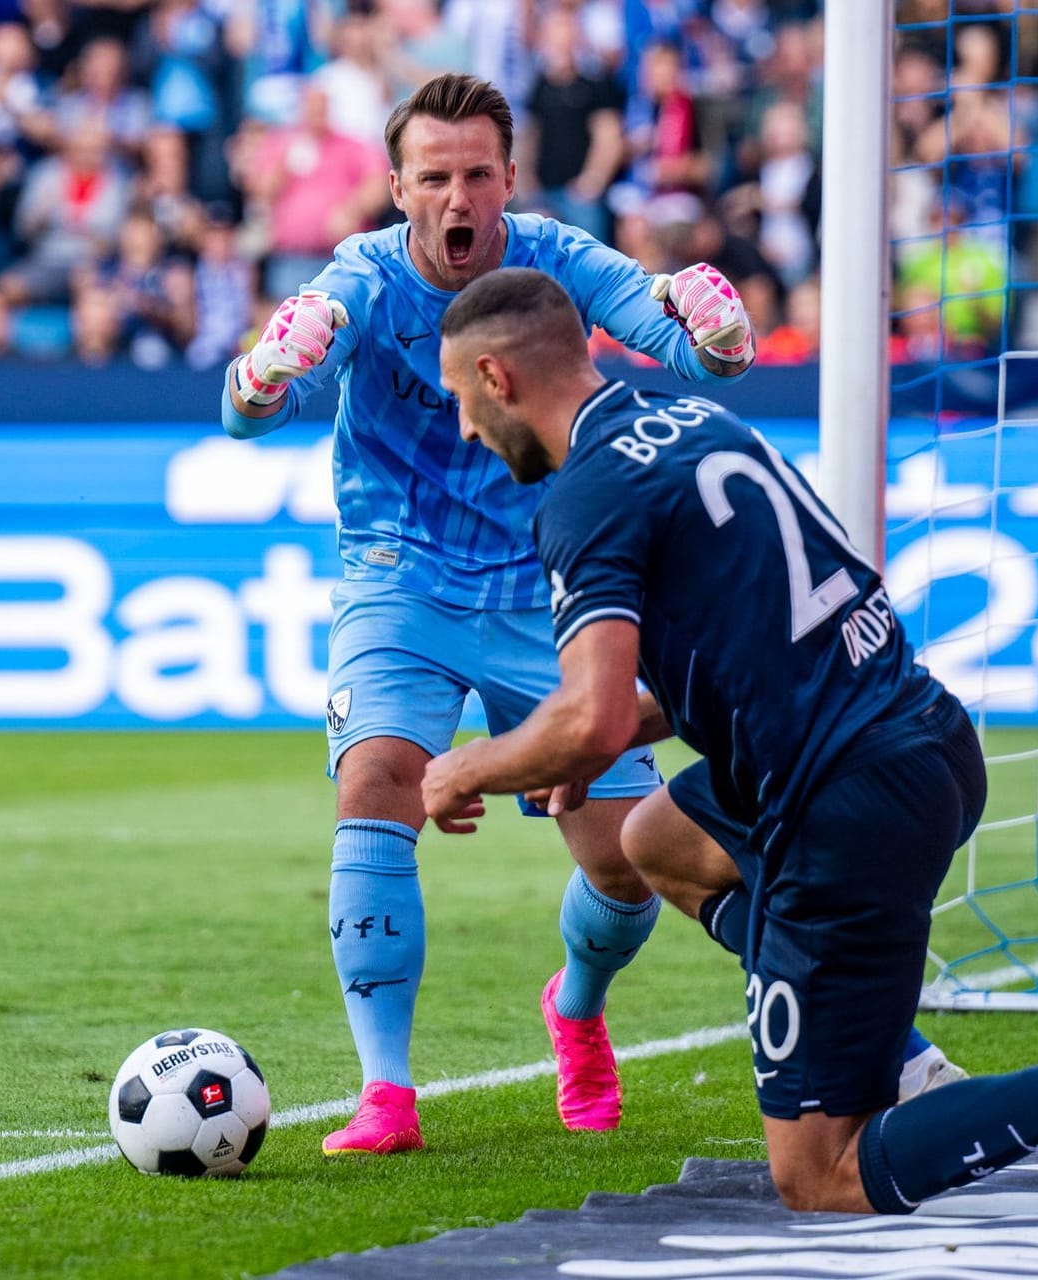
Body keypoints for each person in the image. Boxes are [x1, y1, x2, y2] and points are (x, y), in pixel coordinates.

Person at [421, 266, 1038, 1229]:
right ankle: (900, 1062)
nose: (466, 430)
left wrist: (470, 764)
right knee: (654, 840)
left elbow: (589, 716)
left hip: (841, 805)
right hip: (923, 737)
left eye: (461, 402)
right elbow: (743, 654)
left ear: (496, 375)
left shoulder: (583, 499)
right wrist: (597, 745)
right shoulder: (698, 425)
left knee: (820, 1176)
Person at [221, 71, 919, 1158]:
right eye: (434, 177)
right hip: (398, 575)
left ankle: (577, 1002)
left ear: (510, 177)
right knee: (376, 777)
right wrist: (266, 372)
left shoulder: (557, 256)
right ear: (398, 183)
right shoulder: (357, 277)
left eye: (477, 176)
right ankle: (386, 1089)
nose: (458, 199)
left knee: (625, 861)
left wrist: (718, 330)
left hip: (550, 581)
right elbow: (241, 414)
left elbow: (685, 347)